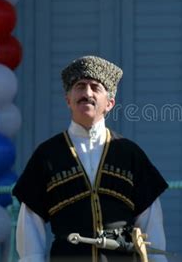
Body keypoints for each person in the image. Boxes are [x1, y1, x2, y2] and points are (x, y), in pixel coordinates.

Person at [13, 55, 169, 262]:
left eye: (95, 87)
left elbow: (151, 227)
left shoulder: (130, 154)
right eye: (80, 86)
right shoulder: (47, 155)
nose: (87, 93)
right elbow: (30, 230)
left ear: (110, 103)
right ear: (68, 100)